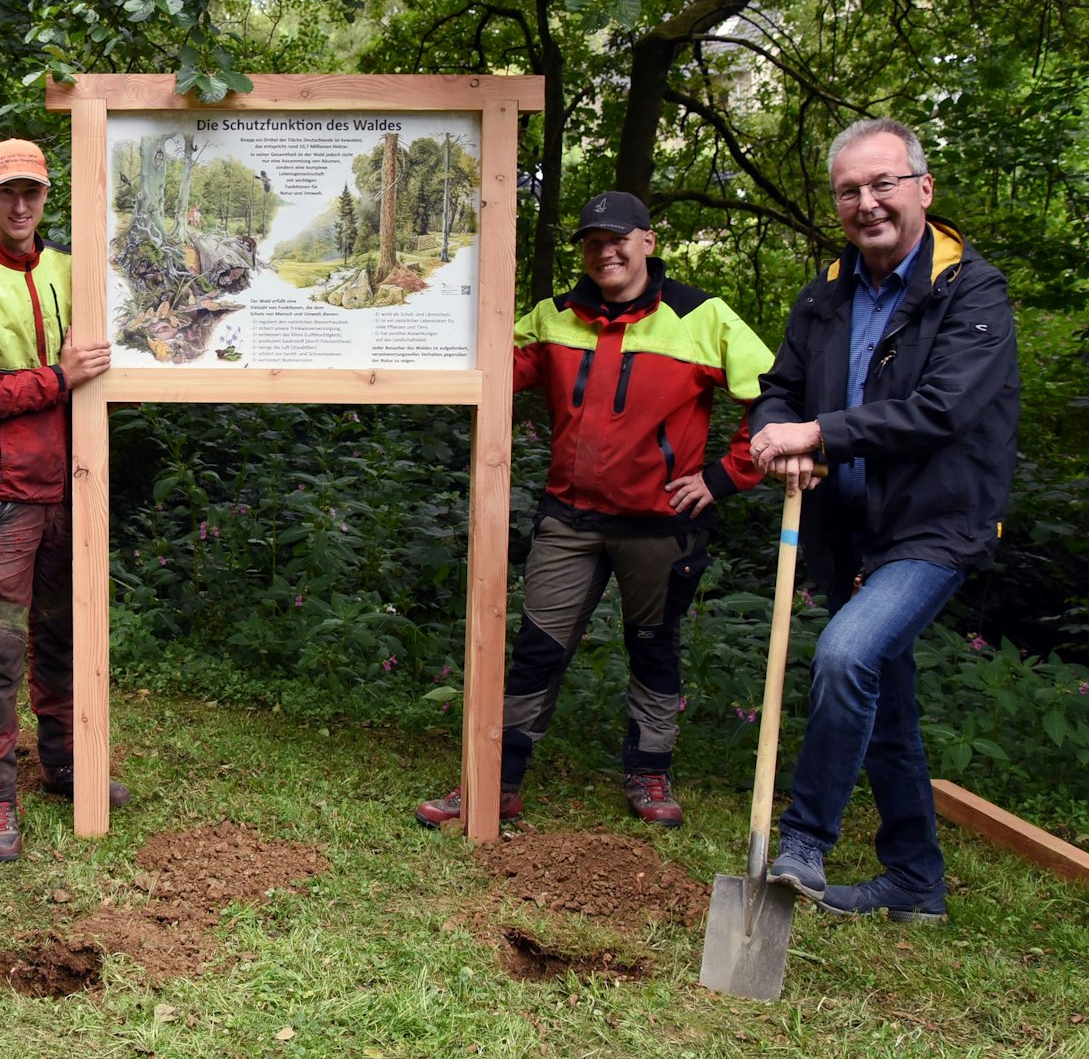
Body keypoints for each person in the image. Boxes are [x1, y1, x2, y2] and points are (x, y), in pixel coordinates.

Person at [416, 191, 772, 831]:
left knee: (654, 647)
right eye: (591, 241)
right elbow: (488, 366)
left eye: (618, 238)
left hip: (662, 523)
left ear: (647, 241)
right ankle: (496, 782)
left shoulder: (702, 316)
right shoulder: (554, 315)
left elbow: (774, 395)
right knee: (536, 649)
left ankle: (649, 772)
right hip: (569, 520)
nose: (605, 251)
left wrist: (724, 476)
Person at [754, 118, 1018, 922]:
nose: (866, 203)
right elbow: (780, 388)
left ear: (923, 189)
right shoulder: (826, 291)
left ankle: (803, 838)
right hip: (849, 525)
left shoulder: (973, 290)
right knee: (886, 698)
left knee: (846, 655)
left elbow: (941, 411)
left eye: (883, 184)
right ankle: (915, 877)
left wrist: (822, 433)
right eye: (849, 190)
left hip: (936, 527)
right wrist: (783, 434)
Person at [0, 138, 127, 863]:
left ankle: (65, 761)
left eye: (32, 193)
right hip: (1, 499)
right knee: (2, 646)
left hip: (76, 484)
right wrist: (56, 377)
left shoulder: (74, 267)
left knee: (65, 635)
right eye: (8, 192)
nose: (20, 205)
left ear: (47, 197)